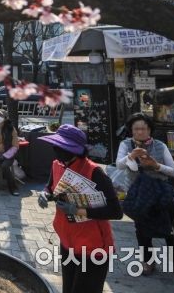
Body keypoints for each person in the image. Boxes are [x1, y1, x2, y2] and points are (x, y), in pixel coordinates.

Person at [37, 125, 123, 293]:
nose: (57, 150)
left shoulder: (95, 172)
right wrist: (45, 193)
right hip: (67, 240)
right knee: (68, 288)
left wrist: (79, 211)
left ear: (76, 150)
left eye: (63, 147)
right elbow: (50, 186)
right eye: (57, 146)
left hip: (93, 247)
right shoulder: (57, 164)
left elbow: (116, 211)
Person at [115, 113, 174, 281]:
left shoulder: (160, 145)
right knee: (143, 231)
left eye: (143, 128)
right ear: (131, 130)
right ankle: (148, 262)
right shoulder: (126, 144)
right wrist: (131, 156)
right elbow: (119, 164)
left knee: (170, 229)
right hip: (139, 195)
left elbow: (172, 171)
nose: (140, 132)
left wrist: (156, 165)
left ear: (149, 129)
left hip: (161, 194)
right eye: (136, 129)